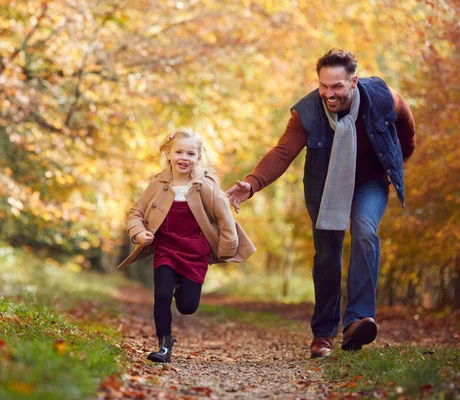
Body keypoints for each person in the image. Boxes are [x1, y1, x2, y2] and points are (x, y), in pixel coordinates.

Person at [226, 49, 416, 358]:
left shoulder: (383, 96)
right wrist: (251, 184)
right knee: (328, 256)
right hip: (325, 187)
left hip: (370, 181)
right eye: (323, 86)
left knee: (366, 230)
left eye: (337, 86)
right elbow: (282, 153)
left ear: (353, 82)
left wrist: (400, 159)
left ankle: (358, 321)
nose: (329, 93)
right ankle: (323, 333)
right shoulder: (306, 113)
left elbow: (406, 124)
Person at [117, 127, 256, 363]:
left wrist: (226, 249)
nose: (184, 158)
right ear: (168, 154)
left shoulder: (207, 186)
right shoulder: (157, 184)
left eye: (191, 154)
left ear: (198, 157)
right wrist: (139, 233)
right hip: (166, 248)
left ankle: (182, 285)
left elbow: (225, 219)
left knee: (187, 306)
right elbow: (135, 213)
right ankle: (164, 345)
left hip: (195, 251)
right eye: (179, 152)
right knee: (161, 294)